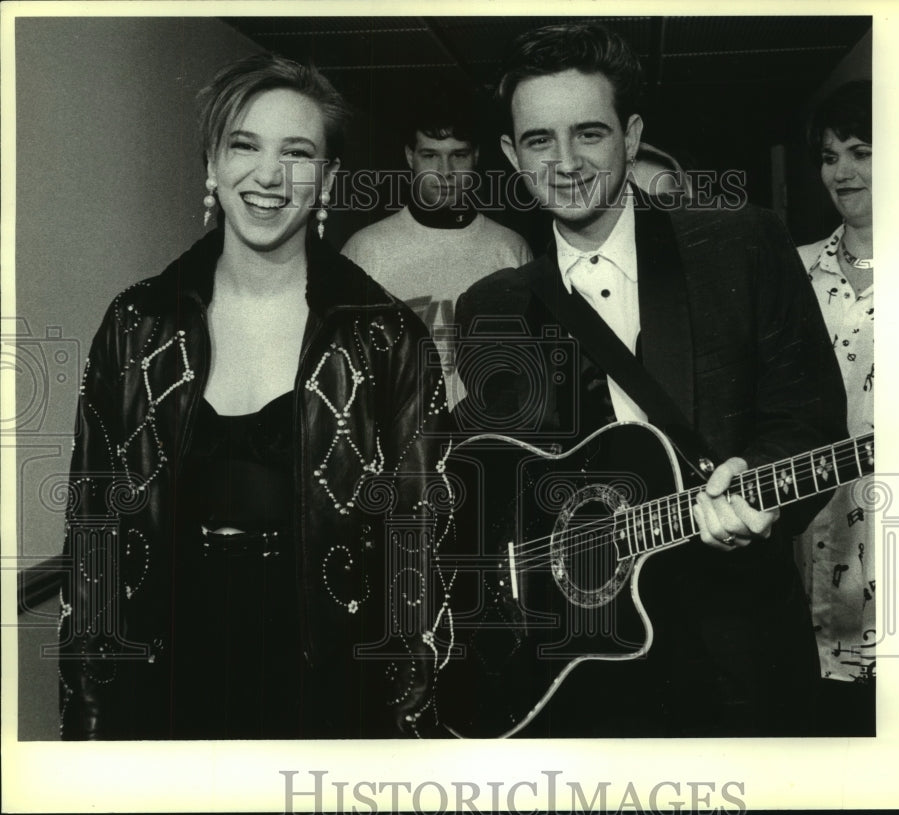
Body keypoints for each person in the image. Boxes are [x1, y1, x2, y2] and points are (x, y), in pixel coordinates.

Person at [452, 22, 848, 737]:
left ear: (631, 136)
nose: (566, 162)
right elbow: (500, 489)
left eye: (590, 134)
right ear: (511, 154)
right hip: (580, 671)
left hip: (737, 654)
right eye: (539, 140)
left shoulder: (741, 243)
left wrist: (753, 482)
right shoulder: (494, 307)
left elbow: (811, 418)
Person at [57, 53, 455, 740]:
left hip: (328, 704)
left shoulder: (387, 338)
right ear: (211, 163)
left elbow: (418, 564)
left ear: (328, 178)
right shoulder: (135, 326)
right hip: (164, 699)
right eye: (244, 144)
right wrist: (88, 732)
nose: (268, 175)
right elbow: (94, 545)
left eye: (296, 152)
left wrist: (404, 747)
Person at [341, 81, 532, 408]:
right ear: (409, 157)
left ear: (475, 157)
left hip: (486, 442)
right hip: (396, 445)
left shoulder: (511, 250)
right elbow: (343, 368)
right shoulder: (365, 251)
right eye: (430, 155)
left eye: (458, 155)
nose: (445, 172)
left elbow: (528, 368)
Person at [795, 79, 875, 735]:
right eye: (829, 155)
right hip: (814, 533)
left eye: (860, 151)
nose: (842, 172)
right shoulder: (791, 272)